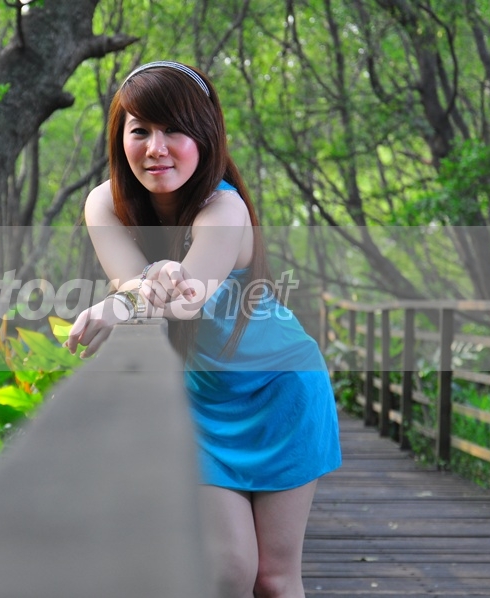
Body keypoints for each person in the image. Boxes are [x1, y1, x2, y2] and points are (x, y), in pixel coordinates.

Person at [65, 60, 341, 598]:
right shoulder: (105, 203)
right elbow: (132, 283)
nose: (156, 148)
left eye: (175, 130)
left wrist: (133, 297)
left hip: (282, 389)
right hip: (199, 400)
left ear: (206, 135)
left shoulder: (224, 207)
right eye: (140, 130)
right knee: (227, 570)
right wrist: (132, 293)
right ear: (120, 137)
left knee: (274, 579)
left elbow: (186, 301)